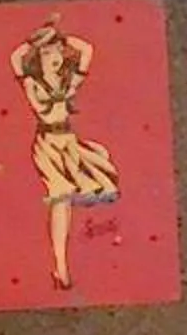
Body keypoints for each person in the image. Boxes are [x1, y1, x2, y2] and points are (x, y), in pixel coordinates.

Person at [10, 19, 119, 289]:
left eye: (58, 51)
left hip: (68, 142)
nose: (55, 57)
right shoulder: (33, 83)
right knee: (61, 201)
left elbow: (87, 50)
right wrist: (36, 41)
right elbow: (15, 57)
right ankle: (60, 266)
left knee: (76, 192)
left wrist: (60, 37)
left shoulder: (68, 81)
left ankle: (61, 266)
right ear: (38, 57)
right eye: (47, 53)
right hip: (47, 144)